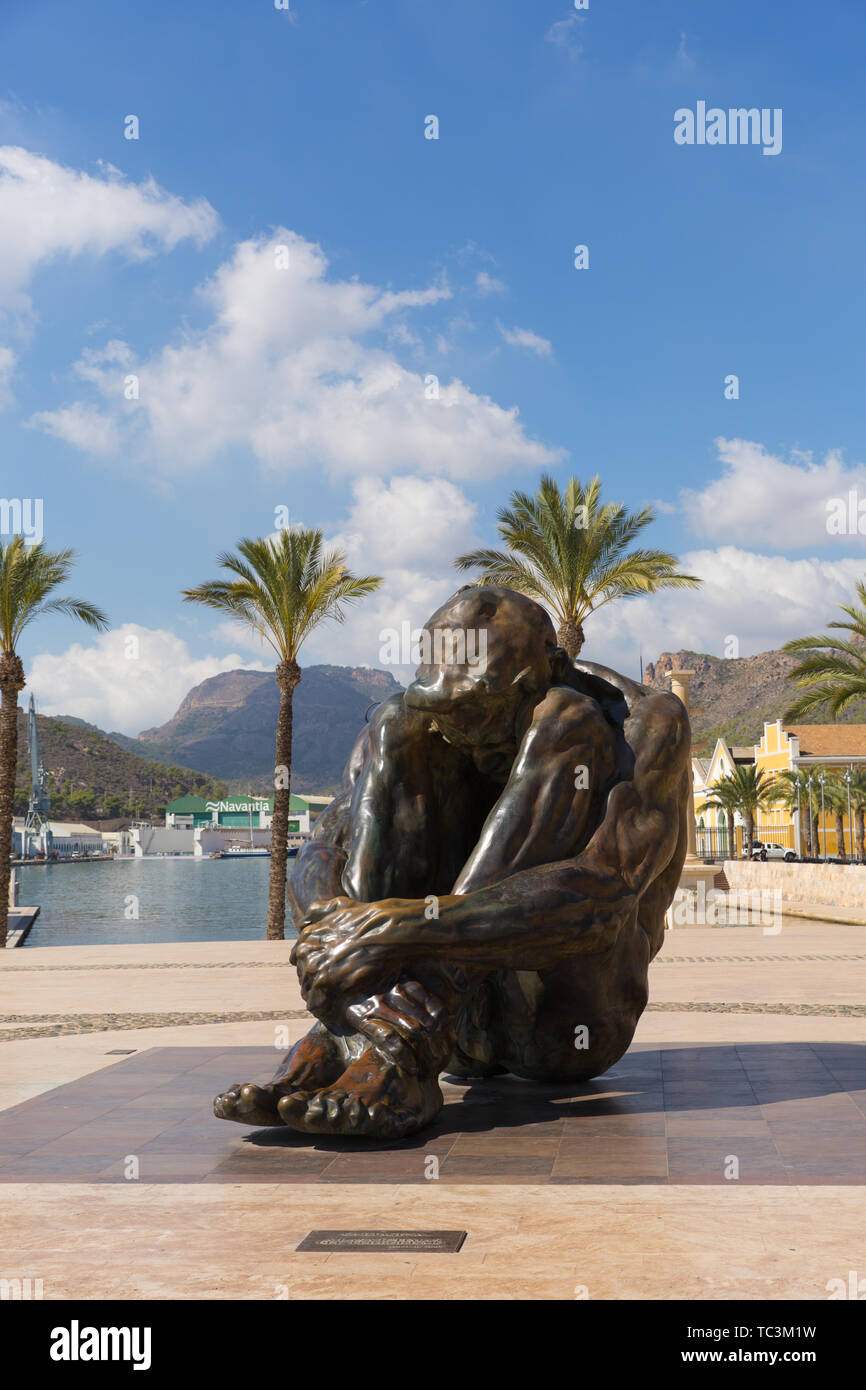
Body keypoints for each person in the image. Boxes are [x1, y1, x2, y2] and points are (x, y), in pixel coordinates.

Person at [215, 585, 690, 1139]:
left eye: (489, 705)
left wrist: (392, 932)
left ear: (552, 665)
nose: (468, 727)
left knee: (566, 722)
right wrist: (336, 932)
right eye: (451, 707)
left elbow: (603, 895)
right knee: (396, 723)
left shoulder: (642, 722)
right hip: (434, 1026)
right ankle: (358, 1042)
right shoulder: (417, 717)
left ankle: (394, 1052)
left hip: (563, 1027)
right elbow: (322, 848)